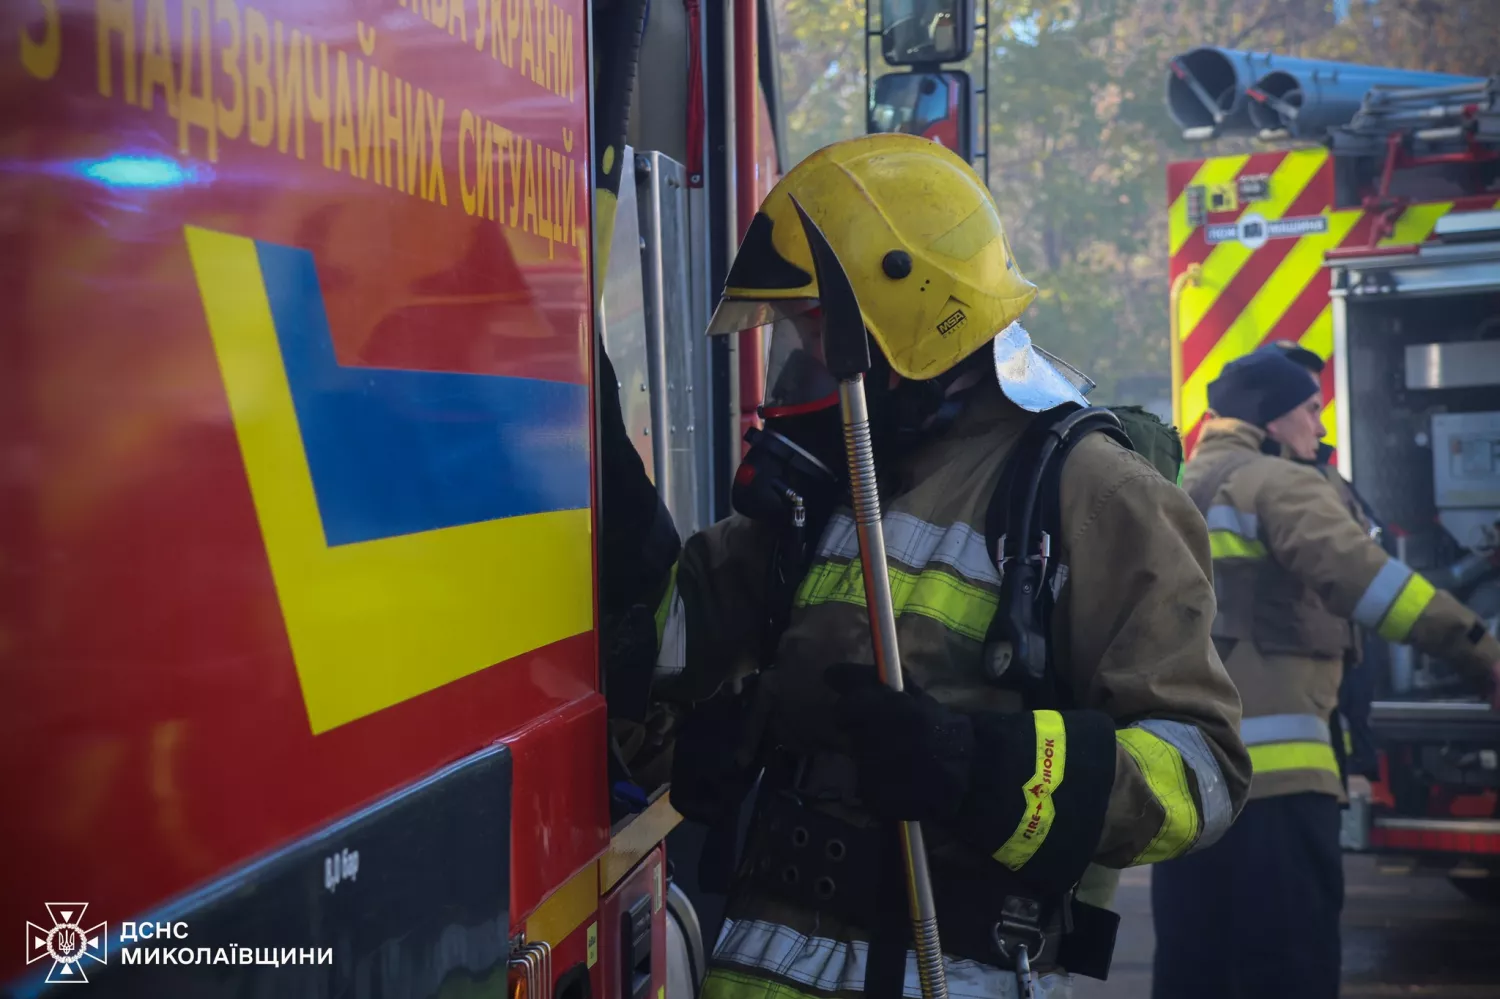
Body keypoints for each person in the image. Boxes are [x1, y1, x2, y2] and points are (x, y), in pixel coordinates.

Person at [642, 133, 1251, 999]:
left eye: (816, 329)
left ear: (913, 310)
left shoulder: (1093, 492)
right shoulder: (838, 484)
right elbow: (665, 635)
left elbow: (1203, 770)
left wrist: (985, 769)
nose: (799, 361)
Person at [1152, 349, 1500, 999]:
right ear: (1273, 417)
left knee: (1195, 970)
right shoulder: (1277, 483)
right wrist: (1479, 650)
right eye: (1311, 408)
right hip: (1278, 790)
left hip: (1192, 784)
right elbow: (1370, 584)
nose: (1319, 423)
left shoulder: (1174, 488)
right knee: (1289, 969)